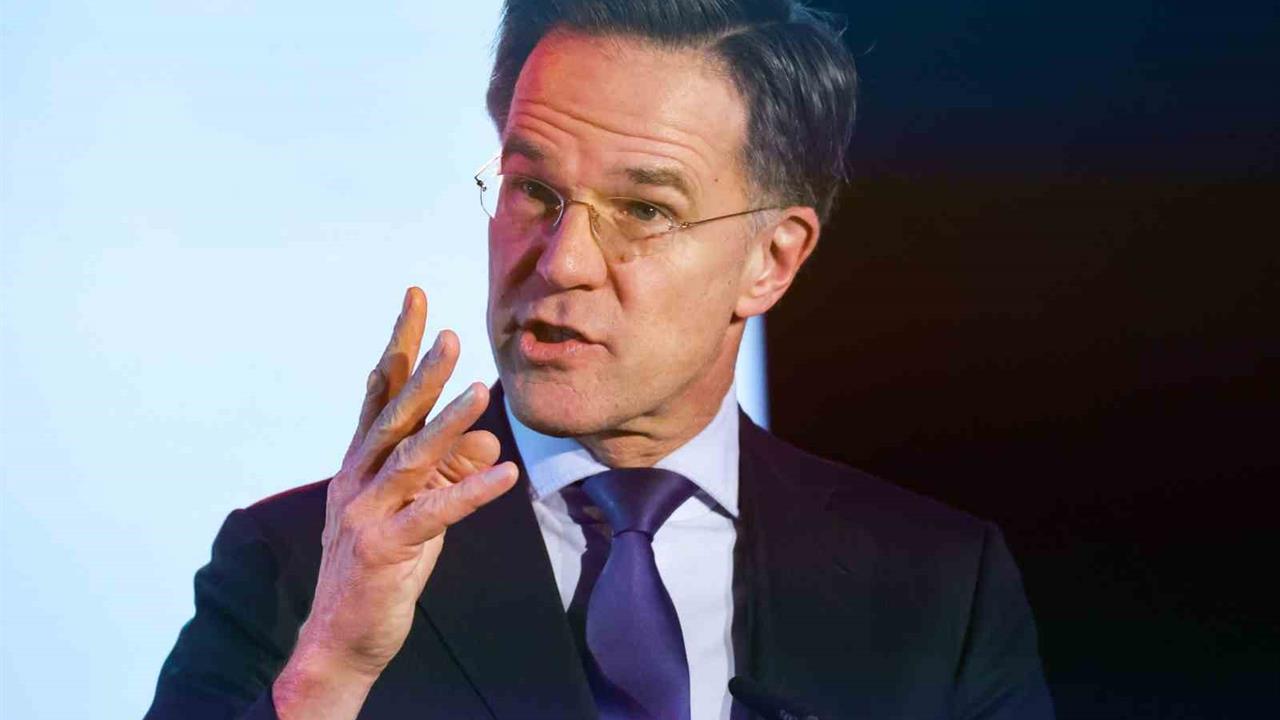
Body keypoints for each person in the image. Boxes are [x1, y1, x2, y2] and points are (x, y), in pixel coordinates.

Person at [145, 1, 1054, 718]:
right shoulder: (295, 572)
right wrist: (331, 669)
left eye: (646, 210)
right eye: (532, 190)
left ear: (771, 259)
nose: (563, 261)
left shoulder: (938, 587)